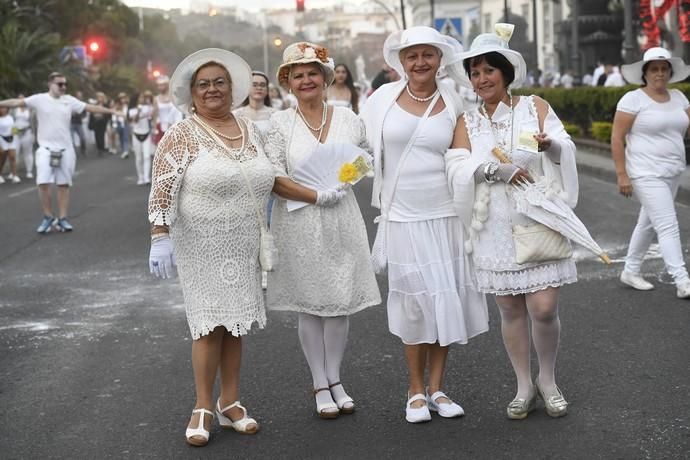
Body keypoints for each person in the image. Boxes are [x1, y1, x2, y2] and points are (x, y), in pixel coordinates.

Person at [445, 24, 578, 420]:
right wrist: (489, 169)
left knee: (544, 307)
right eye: (475, 72)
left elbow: (562, 143)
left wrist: (550, 145)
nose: (481, 79)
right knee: (509, 307)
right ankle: (523, 385)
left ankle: (548, 379)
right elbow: (456, 164)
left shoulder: (534, 106)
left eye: (489, 70)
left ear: (505, 74)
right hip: (493, 224)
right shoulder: (466, 122)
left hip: (537, 216)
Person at [360, 26, 488, 424]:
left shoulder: (453, 98)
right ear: (401, 61)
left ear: (439, 59)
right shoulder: (382, 99)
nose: (420, 63)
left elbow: (463, 154)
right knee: (415, 300)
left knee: (443, 297)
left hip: (446, 213)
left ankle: (438, 388)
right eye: (412, 56)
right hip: (402, 215)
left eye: (427, 55)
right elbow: (359, 145)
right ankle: (415, 390)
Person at [148, 48, 274, 446]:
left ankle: (230, 401)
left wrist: (317, 195)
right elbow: (163, 187)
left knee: (235, 324)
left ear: (232, 87)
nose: (212, 89)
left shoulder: (251, 129)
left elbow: (271, 175)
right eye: (203, 84)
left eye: (220, 82)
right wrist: (159, 236)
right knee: (208, 325)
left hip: (243, 241)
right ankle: (202, 405)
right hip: (201, 244)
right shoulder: (181, 134)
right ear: (192, 93)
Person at [264, 41, 381, 419]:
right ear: (287, 83)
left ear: (326, 77)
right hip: (299, 220)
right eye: (297, 75)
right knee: (310, 305)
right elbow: (275, 177)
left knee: (340, 301)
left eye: (313, 72)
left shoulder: (348, 119)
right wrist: (315, 194)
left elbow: (366, 158)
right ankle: (319, 382)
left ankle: (336, 378)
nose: (306, 80)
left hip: (341, 218)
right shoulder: (278, 124)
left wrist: (346, 178)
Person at [613, 47, 690, 298]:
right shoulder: (633, 99)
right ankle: (682, 280)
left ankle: (630, 270)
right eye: (654, 69)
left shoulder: (679, 97)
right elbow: (617, 138)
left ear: (670, 72)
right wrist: (622, 174)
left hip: (673, 170)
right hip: (645, 172)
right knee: (668, 224)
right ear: (645, 73)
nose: (659, 73)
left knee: (647, 224)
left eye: (664, 69)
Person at [0, 72, 117, 233]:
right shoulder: (39, 99)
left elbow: (89, 107)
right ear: (50, 84)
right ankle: (48, 216)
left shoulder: (69, 101)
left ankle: (62, 218)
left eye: (65, 84)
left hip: (66, 149)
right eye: (59, 84)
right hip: (45, 149)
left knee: (63, 185)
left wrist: (111, 111)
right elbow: (17, 102)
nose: (63, 87)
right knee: (42, 182)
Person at [127, 91, 155, 185]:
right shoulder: (132, 110)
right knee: (139, 158)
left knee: (147, 156)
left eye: (143, 97)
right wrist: (139, 111)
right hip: (136, 134)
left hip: (147, 133)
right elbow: (134, 120)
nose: (142, 99)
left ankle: (147, 177)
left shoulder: (148, 107)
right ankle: (141, 177)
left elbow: (153, 114)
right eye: (140, 97)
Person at [152, 75, 184, 147]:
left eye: (162, 85)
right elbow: (155, 114)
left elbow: (179, 112)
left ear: (167, 85)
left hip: (174, 127)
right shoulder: (156, 99)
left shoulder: (174, 97)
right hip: (160, 127)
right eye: (159, 85)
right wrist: (154, 128)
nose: (160, 87)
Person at [13, 95, 34, 179]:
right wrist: (13, 133)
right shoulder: (14, 109)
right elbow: (12, 121)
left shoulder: (30, 109)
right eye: (19, 99)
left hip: (27, 132)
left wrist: (34, 134)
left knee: (28, 152)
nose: (20, 100)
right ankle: (14, 172)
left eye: (22, 99)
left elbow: (33, 122)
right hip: (16, 132)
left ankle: (29, 171)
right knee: (15, 153)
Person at [0, 106, 20, 183]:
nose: (3, 109)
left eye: (4, 108)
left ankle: (14, 175)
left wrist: (15, 135)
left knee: (12, 157)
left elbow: (14, 127)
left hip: (11, 139)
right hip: (1, 139)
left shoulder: (11, 117)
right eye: (1, 108)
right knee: (2, 159)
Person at [70, 90, 87, 157]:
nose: (79, 97)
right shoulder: (72, 103)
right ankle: (73, 152)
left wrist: (79, 114)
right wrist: (71, 114)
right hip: (71, 123)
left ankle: (83, 150)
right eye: (78, 95)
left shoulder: (82, 104)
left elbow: (84, 114)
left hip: (79, 123)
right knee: (71, 139)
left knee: (83, 138)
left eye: (80, 96)